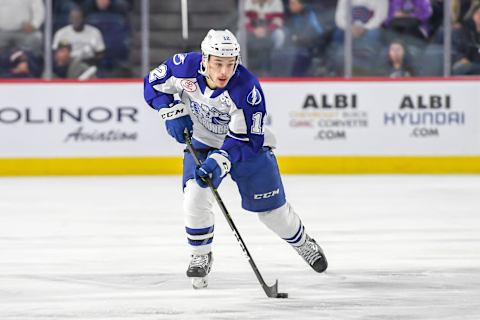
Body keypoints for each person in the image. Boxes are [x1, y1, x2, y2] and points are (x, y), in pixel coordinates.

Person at [143, 29, 328, 289]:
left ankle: (302, 243)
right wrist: (169, 110)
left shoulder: (247, 88)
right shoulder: (183, 66)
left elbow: (248, 139)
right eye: (218, 63)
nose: (223, 72)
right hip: (203, 144)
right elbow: (151, 84)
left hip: (245, 148)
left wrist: (221, 161)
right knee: (195, 194)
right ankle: (200, 255)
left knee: (272, 213)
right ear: (205, 59)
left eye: (230, 64)